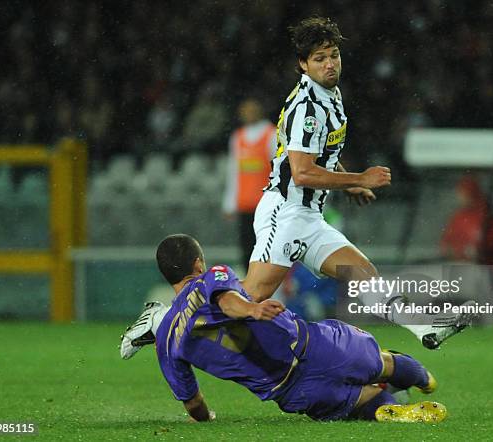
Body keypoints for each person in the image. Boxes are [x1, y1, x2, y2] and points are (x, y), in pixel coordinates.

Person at [240, 17, 472, 349]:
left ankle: (427, 329)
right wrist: (359, 177)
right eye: (319, 59)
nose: (329, 64)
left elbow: (321, 156)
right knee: (250, 296)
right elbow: (303, 172)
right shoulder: (307, 107)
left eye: (333, 55)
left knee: (363, 273)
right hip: (285, 213)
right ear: (303, 64)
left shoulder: (329, 95)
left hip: (308, 218)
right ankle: (165, 322)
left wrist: (346, 184)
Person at [120, 234, 447, 423]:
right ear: (198, 265)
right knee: (380, 361)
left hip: (289, 390)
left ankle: (390, 410)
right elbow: (226, 301)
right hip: (312, 346)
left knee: (359, 400)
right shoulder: (212, 277)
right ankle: (424, 381)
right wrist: (253, 308)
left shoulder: (166, 343)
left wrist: (207, 419)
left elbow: (192, 402)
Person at [222, 98, 277, 269]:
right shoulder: (237, 137)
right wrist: (229, 202)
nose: (248, 114)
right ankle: (251, 289)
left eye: (252, 110)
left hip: (266, 203)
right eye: (245, 110)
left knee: (268, 247)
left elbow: (279, 170)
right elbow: (233, 171)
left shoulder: (272, 134)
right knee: (247, 248)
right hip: (245, 203)